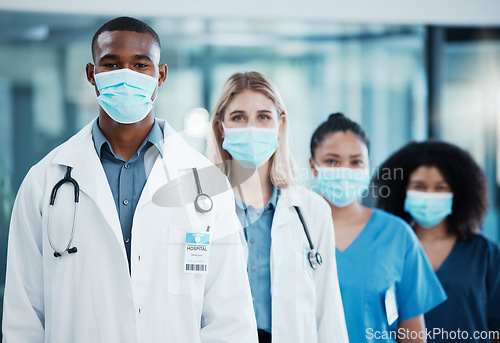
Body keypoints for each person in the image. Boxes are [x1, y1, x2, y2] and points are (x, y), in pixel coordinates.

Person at [2, 17, 258, 343]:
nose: (126, 76)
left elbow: (230, 318)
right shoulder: (43, 183)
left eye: (140, 64)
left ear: (160, 75)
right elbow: (23, 316)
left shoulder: (207, 185)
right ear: (91, 75)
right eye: (111, 64)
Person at [206, 72, 349, 343]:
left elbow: (328, 309)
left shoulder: (312, 211)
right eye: (238, 117)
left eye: (263, 117)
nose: (252, 128)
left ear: (280, 124)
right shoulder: (199, 209)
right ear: (221, 127)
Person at [309, 113, 447, 343]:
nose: (345, 171)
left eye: (356, 162)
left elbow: (413, 335)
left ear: (368, 167)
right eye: (332, 161)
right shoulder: (292, 229)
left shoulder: (397, 235)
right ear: (312, 167)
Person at [373, 140, 500, 343]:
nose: (429, 195)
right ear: (402, 189)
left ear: (457, 194)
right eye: (419, 186)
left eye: (440, 188)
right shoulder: (388, 248)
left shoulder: (484, 253)